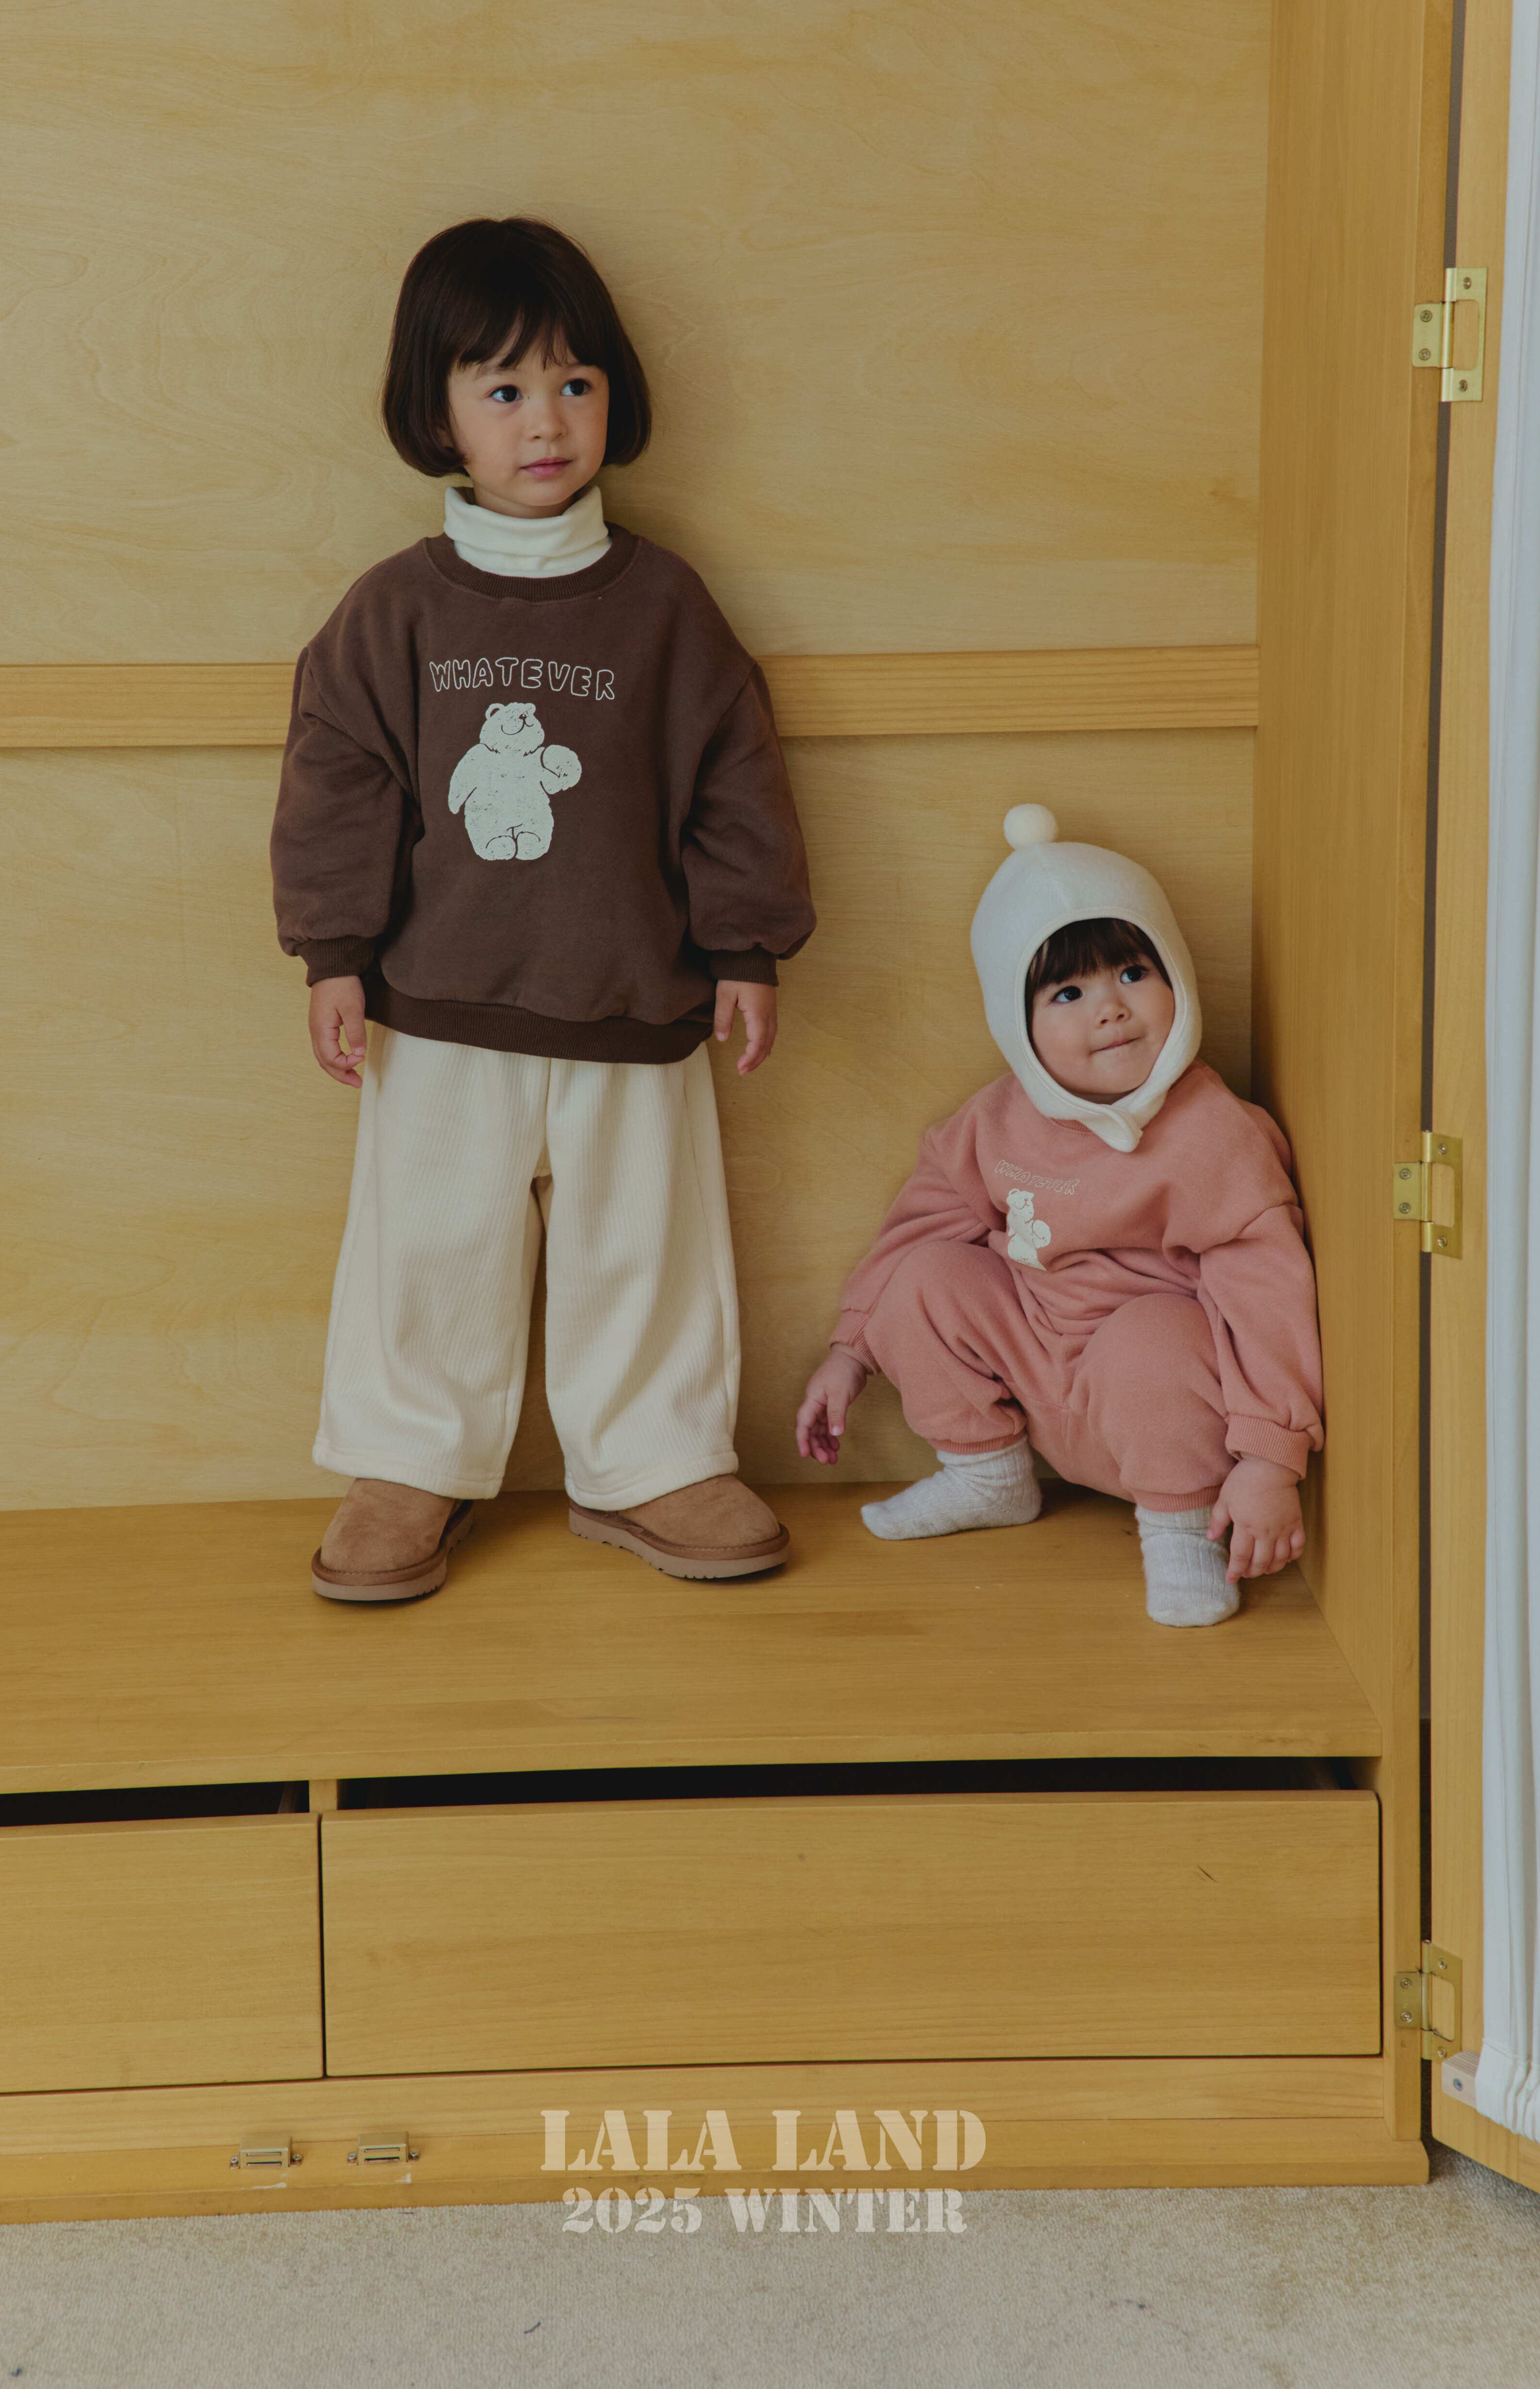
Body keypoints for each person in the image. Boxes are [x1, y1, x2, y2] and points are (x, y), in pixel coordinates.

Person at [272, 217, 813, 1602]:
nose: (546, 421)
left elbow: (734, 780)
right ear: (437, 414)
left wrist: (747, 946)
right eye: (503, 388)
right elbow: (338, 784)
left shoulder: (667, 607)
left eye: (575, 383)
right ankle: (408, 1459)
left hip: (637, 998)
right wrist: (334, 955)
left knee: (646, 1244)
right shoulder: (393, 613)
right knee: (430, 1243)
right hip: (438, 1008)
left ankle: (654, 1459)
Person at [794, 806, 1321, 1626]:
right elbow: (918, 1227)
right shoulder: (995, 1121)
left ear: (1177, 978)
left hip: (1164, 1410)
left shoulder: (1216, 1133)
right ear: (1018, 1023)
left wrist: (1269, 1460)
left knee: (1153, 1336)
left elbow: (1269, 1298)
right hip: (1037, 1380)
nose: (1110, 1009)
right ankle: (987, 1477)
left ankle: (1180, 1531)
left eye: (1133, 974)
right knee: (926, 1274)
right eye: (1069, 992)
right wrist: (849, 1353)